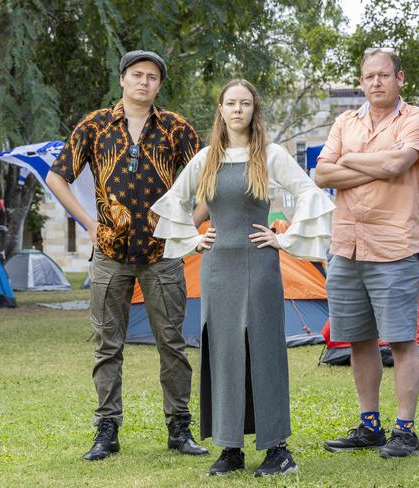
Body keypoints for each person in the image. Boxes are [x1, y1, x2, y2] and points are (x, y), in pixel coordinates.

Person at [151, 79, 334, 476]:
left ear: (254, 110)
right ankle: (230, 447)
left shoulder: (270, 154)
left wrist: (283, 237)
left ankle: (277, 450)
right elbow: (174, 203)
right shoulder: (205, 159)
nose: (237, 109)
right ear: (220, 109)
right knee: (223, 354)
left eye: (245, 103)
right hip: (218, 269)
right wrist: (193, 240)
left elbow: (311, 193)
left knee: (264, 353)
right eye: (230, 103)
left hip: (260, 263)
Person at [46, 50, 208, 461]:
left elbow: (210, 182)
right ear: (122, 79)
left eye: (152, 77)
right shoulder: (95, 125)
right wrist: (88, 223)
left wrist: (186, 225)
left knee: (172, 342)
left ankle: (179, 427)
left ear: (159, 85)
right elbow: (57, 176)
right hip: (109, 253)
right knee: (107, 345)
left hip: (162, 253)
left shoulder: (177, 129)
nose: (144, 82)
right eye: (137, 75)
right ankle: (106, 429)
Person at [315, 48, 419, 458]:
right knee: (359, 339)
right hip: (346, 245)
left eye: (384, 75)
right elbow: (321, 173)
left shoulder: (416, 120)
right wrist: (371, 164)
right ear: (362, 82)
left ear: (399, 78)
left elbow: (397, 165)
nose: (376, 83)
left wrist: (349, 160)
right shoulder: (345, 121)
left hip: (394, 246)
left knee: (401, 340)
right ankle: (371, 427)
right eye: (369, 77)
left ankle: (405, 430)